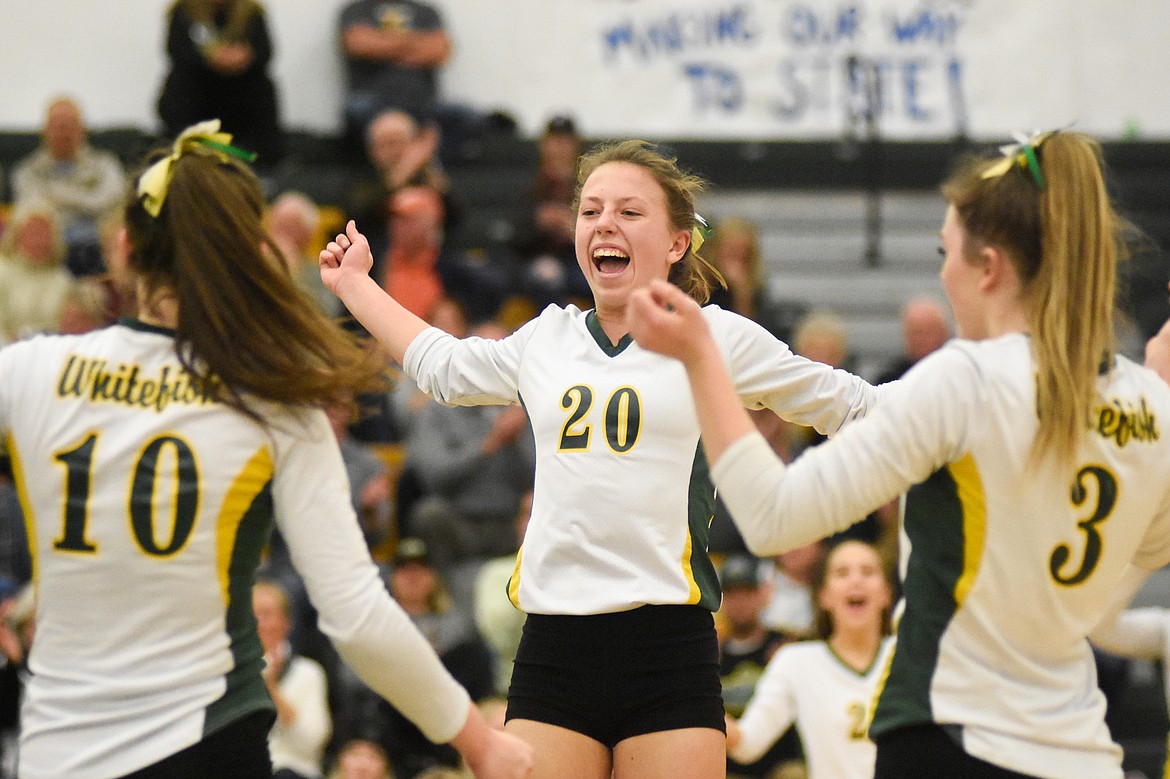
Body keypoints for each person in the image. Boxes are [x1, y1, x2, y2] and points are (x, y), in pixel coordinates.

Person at [320, 138, 890, 779]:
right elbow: (445, 370)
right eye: (590, 211)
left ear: (678, 243)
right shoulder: (547, 338)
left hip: (669, 647)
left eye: (628, 211)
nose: (604, 225)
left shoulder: (713, 335)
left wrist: (973, 398)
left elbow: (849, 404)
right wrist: (356, 287)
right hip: (555, 645)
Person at [626, 130, 1170, 779]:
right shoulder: (1150, 405)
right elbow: (1118, 596)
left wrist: (700, 357)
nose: (943, 272)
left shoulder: (965, 378)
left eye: (948, 252)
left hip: (950, 738)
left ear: (989, 266)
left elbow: (772, 516)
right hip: (1083, 750)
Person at [0, 120, 532, 779]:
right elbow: (358, 616)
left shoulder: (28, 372)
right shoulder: (273, 398)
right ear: (253, 254)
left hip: (56, 753)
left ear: (124, 246)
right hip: (205, 743)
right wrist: (478, 739)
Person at [726, 539, 895, 779]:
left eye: (867, 572)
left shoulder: (909, 654)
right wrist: (698, 710)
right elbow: (748, 744)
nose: (856, 581)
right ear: (824, 595)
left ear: (886, 593)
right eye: (842, 573)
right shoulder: (795, 662)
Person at [157, 0, 285, 167]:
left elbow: (264, 53)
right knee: (180, 84)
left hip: (240, 96)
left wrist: (244, 57)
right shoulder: (184, 11)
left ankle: (261, 163)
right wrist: (211, 57)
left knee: (262, 87)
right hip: (199, 94)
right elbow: (176, 51)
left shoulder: (252, 12)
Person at [11, 97, 127, 276]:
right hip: (49, 258)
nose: (64, 131)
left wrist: (57, 197)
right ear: (45, 131)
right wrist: (86, 202)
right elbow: (34, 214)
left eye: (70, 124)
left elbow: (110, 202)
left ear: (83, 130)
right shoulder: (26, 172)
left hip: (101, 253)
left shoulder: (106, 165)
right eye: (57, 125)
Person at [715, 555, 801, 779]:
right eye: (733, 594)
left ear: (763, 594)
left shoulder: (785, 646)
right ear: (722, 598)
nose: (741, 602)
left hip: (780, 764)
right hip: (730, 767)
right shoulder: (712, 652)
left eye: (748, 592)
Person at [337, 0, 452, 143]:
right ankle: (417, 159)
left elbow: (439, 50)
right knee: (358, 109)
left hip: (423, 105)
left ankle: (418, 160)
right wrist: (417, 42)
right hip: (371, 104)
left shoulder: (427, 12)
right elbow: (358, 44)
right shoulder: (356, 10)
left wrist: (382, 45)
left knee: (466, 117)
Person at [254, 579, 332, 779]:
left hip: (294, 772)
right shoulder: (227, 672)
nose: (258, 624)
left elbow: (311, 743)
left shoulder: (308, 672)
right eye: (251, 616)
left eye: (266, 614)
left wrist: (271, 688)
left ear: (286, 622)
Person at [705, 216, 807, 345]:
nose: (737, 259)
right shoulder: (705, 283)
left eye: (743, 253)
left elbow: (753, 325)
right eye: (731, 251)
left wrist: (742, 291)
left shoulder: (755, 286)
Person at [0, 198, 75, 343]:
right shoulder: (2, 271)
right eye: (31, 232)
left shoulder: (63, 279)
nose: (38, 239)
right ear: (16, 234)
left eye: (43, 233)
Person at [874, 295, 952, 384]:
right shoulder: (889, 380)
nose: (922, 340)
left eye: (929, 332)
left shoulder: (957, 376)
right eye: (917, 332)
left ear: (944, 333)